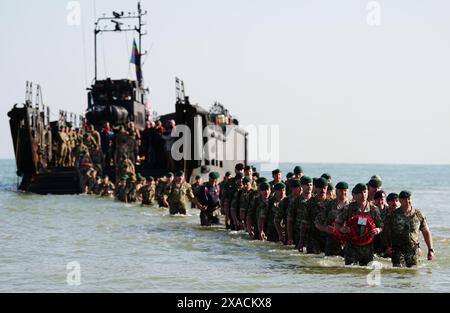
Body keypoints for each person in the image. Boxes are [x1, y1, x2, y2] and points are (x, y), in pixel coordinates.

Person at [335, 183, 383, 266]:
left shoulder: (373, 209)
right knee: (351, 270)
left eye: (365, 192)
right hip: (351, 246)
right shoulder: (348, 208)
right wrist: (342, 228)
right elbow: (337, 223)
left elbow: (381, 225)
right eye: (360, 193)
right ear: (354, 195)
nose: (363, 195)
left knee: (365, 270)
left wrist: (378, 230)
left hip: (367, 247)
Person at [384, 191, 434, 267]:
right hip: (397, 251)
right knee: (399, 273)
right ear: (400, 200)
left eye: (409, 199)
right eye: (405, 199)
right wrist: (387, 247)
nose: (408, 201)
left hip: (413, 251)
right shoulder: (393, 215)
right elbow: (386, 232)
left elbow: (426, 232)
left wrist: (430, 250)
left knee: (413, 275)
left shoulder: (418, 214)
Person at [315, 181, 349, 256]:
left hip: (347, 243)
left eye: (345, 190)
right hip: (332, 243)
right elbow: (317, 222)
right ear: (336, 192)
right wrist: (325, 228)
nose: (343, 193)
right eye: (341, 190)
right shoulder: (329, 205)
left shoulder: (352, 206)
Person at [299, 177, 329, 254]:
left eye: (324, 188)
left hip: (328, 238)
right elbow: (304, 223)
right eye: (320, 188)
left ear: (327, 188)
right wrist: (301, 241)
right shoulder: (309, 203)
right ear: (315, 188)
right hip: (313, 238)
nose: (322, 190)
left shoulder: (331, 203)